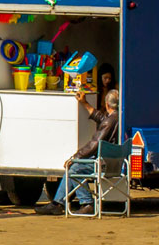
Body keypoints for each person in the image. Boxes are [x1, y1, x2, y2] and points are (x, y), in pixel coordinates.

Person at [40, 73, 120, 215]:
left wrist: (74, 157)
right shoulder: (117, 118)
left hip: (104, 163)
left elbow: (93, 145)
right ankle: (57, 203)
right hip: (115, 162)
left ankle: (86, 202)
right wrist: (84, 103)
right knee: (74, 168)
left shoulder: (109, 121)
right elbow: (102, 118)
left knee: (74, 168)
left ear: (107, 104)